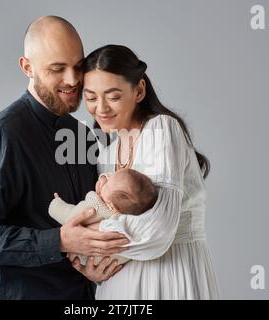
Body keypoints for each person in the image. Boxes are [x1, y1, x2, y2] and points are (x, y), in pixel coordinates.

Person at [0, 17, 128, 300]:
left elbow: (92, 217)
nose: (73, 80)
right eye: (57, 69)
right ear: (27, 68)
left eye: (78, 66)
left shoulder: (83, 135)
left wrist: (92, 268)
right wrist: (59, 241)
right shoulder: (1, 136)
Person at [70, 44, 220, 299]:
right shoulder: (106, 155)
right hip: (118, 284)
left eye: (113, 96)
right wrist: (93, 267)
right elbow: (111, 219)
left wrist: (89, 239)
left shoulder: (161, 129)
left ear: (139, 90)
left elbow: (158, 231)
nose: (101, 108)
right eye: (91, 97)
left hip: (171, 274)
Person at [49, 168, 158, 265]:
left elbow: (68, 217)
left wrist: (55, 204)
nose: (106, 179)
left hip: (84, 257)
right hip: (108, 263)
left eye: (107, 182)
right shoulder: (128, 221)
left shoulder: (95, 206)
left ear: (110, 206)